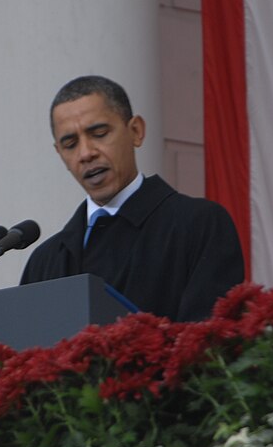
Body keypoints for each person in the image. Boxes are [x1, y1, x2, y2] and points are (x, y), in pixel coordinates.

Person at [20, 75, 244, 321]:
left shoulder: (199, 225)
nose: (86, 153)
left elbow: (210, 344)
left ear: (136, 131)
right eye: (71, 144)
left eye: (99, 133)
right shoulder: (44, 262)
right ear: (59, 153)